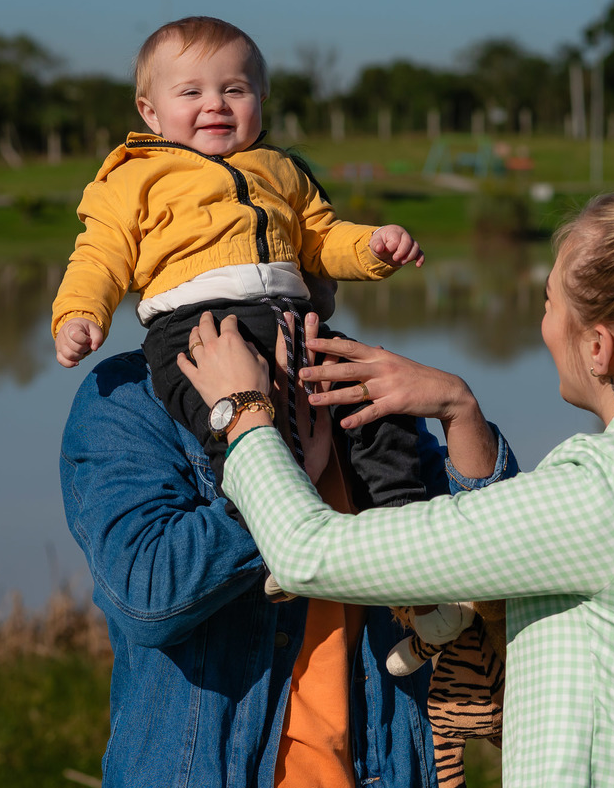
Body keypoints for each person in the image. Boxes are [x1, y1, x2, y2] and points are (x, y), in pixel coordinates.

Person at [179, 187, 614, 787]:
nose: (544, 323)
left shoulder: (606, 493)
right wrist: (459, 407)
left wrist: (244, 411)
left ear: (600, 348)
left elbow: (309, 552)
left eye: (550, 303)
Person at [58, 320, 487, 786]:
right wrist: (272, 464)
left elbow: (492, 567)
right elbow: (148, 594)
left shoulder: (356, 383)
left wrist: (459, 409)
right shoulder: (130, 397)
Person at [51, 15, 428, 522]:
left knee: (378, 406)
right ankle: (272, 539)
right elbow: (99, 256)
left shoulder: (280, 170)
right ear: (151, 113)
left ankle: (406, 532)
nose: (215, 104)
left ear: (260, 100)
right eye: (191, 92)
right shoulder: (132, 179)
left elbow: (319, 239)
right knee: (236, 430)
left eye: (234, 89)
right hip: (197, 327)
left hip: (297, 322)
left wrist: (373, 246)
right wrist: (80, 314)